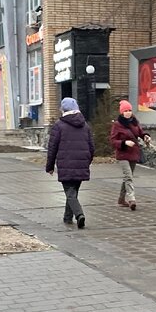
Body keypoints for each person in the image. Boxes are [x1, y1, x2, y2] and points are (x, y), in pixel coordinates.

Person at [45, 96, 94, 229]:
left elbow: (52, 148)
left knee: (70, 193)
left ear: (63, 109)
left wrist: (49, 166)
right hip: (81, 164)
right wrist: (86, 162)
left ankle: (79, 215)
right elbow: (91, 147)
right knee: (73, 192)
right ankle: (67, 217)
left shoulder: (58, 126)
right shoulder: (85, 125)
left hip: (65, 164)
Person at [110, 100, 151, 210]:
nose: (128, 113)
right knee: (128, 176)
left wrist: (146, 136)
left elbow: (141, 133)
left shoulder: (135, 122)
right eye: (125, 111)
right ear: (121, 112)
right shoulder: (117, 125)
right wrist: (124, 143)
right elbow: (113, 141)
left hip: (133, 153)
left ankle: (121, 199)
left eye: (129, 110)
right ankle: (131, 199)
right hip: (123, 154)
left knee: (128, 177)